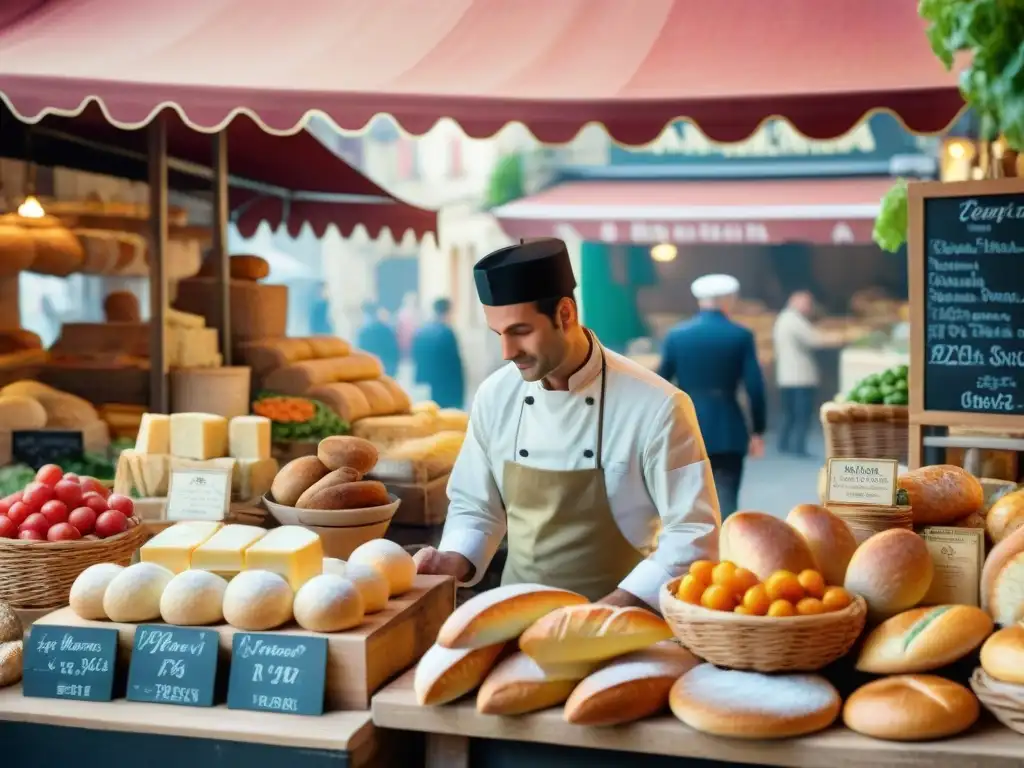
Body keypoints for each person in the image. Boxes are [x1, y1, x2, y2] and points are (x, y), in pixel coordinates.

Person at [413, 238, 719, 608]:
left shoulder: (659, 405)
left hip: (619, 622)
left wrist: (615, 606)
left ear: (565, 314)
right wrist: (453, 560)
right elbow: (476, 506)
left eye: (520, 331)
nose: (508, 353)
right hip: (512, 615)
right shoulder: (494, 395)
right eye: (499, 335)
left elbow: (693, 532)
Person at [657, 274, 766, 520]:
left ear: (699, 300)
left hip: (686, 426)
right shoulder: (740, 336)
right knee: (726, 498)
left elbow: (659, 382)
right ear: (729, 300)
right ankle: (725, 553)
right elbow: (755, 387)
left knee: (688, 498)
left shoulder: (677, 335)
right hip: (729, 426)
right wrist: (758, 430)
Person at [773, 290, 846, 457]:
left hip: (787, 376)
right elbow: (815, 339)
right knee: (801, 414)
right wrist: (839, 338)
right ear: (795, 302)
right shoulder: (794, 320)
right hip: (799, 377)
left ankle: (783, 444)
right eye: (806, 303)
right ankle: (798, 446)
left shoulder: (784, 319)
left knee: (789, 413)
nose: (809, 307)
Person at [411, 298, 465, 408]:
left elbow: (415, 355)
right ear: (448, 311)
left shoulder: (422, 330)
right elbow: (454, 364)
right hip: (445, 386)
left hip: (426, 382)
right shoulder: (446, 332)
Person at [356, 302, 400, 376]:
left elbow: (360, 352)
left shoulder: (363, 331)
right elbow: (394, 350)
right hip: (386, 368)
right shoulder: (386, 329)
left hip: (370, 369)